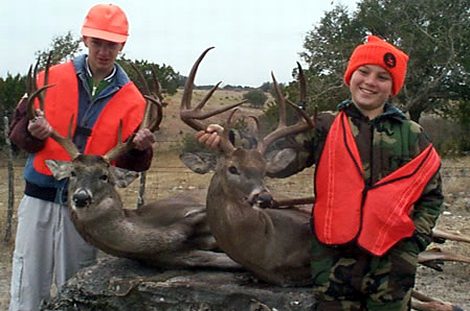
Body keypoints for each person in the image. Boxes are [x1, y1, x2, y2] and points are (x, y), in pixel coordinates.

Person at [197, 35, 443, 310]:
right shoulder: (325, 126)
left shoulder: (411, 135)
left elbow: (431, 195)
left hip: (391, 261)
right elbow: (272, 160)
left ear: (392, 87)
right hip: (335, 259)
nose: (370, 82)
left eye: (383, 77)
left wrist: (414, 242)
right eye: (363, 72)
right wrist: (226, 140)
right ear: (350, 75)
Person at [8, 3, 156, 310]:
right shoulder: (48, 78)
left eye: (111, 44)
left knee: (77, 287)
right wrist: (32, 134)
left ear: (122, 45)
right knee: (28, 285)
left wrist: (141, 147)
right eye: (98, 42)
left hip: (91, 209)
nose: (104, 51)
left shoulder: (133, 99)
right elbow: (17, 133)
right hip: (41, 199)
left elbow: (135, 162)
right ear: (85, 39)